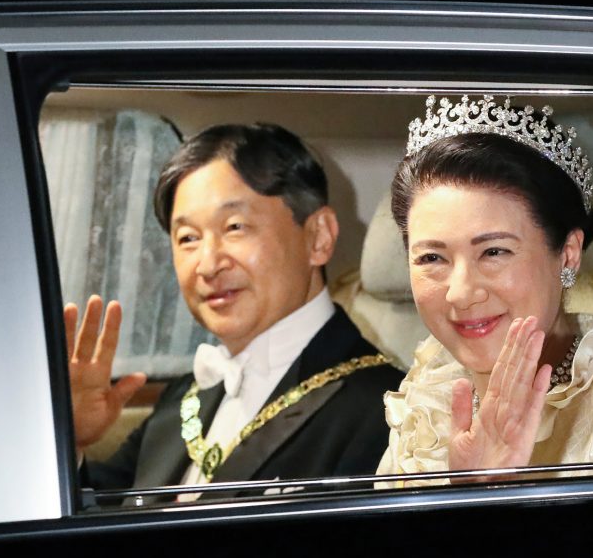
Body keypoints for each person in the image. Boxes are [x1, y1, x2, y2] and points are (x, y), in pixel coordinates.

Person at [67, 122, 403, 501]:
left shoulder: (390, 410)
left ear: (318, 237)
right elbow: (96, 515)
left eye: (235, 227)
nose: (208, 265)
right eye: (188, 238)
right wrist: (71, 438)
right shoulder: (186, 396)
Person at [376, 95, 593, 485]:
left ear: (567, 255)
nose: (460, 294)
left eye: (494, 251)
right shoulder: (428, 397)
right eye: (432, 258)